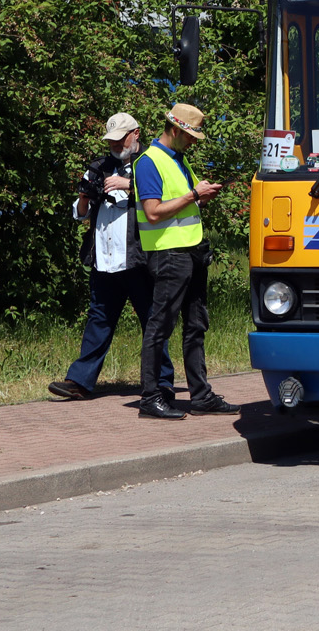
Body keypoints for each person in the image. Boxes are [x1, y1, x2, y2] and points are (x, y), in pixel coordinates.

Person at [48, 114, 175, 402]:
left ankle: (162, 382)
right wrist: (84, 196)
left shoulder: (149, 163)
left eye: (121, 139)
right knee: (99, 319)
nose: (116, 146)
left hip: (140, 259)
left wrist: (127, 185)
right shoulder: (99, 166)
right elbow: (80, 212)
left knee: (151, 322)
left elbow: (167, 195)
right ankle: (79, 381)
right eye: (112, 142)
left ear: (136, 134)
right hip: (104, 259)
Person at [132, 105, 237, 419]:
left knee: (195, 326)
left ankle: (201, 396)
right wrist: (193, 194)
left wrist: (202, 196)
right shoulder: (149, 161)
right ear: (175, 130)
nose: (193, 142)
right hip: (168, 255)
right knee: (160, 327)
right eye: (190, 136)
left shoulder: (179, 159)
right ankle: (151, 398)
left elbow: (183, 203)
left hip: (191, 252)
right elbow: (153, 211)